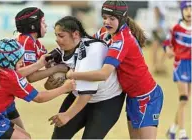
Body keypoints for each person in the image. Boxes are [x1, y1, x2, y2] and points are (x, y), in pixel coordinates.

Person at [66, 1, 164, 139]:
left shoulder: (122, 40)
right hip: (132, 97)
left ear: (122, 18)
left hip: (147, 97)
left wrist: (73, 74)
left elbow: (103, 74)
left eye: (112, 19)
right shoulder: (105, 32)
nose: (107, 22)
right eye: (105, 17)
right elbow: (86, 46)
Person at [0, 39, 76, 139]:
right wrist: (65, 88)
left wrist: (40, 64)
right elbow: (39, 98)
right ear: (11, 62)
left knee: (26, 136)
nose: (23, 63)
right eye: (20, 60)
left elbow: (17, 74)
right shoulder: (11, 78)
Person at [47, 16, 125, 139]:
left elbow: (86, 94)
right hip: (79, 96)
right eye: (56, 35)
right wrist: (52, 81)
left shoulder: (93, 50)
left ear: (76, 34)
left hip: (106, 101)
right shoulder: (62, 50)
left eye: (61, 36)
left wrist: (67, 115)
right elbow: (45, 83)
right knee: (58, 137)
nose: (57, 40)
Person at [7, 7, 69, 129]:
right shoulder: (26, 42)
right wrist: (58, 69)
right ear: (33, 26)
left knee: (23, 136)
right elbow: (31, 77)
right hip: (0, 98)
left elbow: (48, 65)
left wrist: (55, 76)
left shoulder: (36, 44)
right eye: (43, 22)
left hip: (8, 100)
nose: (46, 25)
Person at [164, 1, 191, 139]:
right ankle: (182, 132)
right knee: (183, 97)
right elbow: (167, 43)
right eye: (186, 8)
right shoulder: (176, 28)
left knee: (184, 101)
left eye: (191, 8)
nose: (189, 12)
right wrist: (168, 50)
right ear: (181, 11)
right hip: (181, 65)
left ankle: (172, 129)